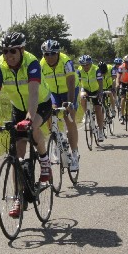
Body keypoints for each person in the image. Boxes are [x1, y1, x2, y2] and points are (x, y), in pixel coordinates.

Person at [0, 31, 52, 218]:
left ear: (21, 50)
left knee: (33, 127)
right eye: (5, 51)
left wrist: (29, 118)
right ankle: (18, 197)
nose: (9, 55)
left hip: (41, 103)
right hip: (18, 108)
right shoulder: (0, 67)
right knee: (16, 154)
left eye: (13, 50)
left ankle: (45, 161)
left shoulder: (32, 63)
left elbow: (34, 94)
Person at [39, 39, 80, 175]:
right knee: (49, 113)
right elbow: (39, 85)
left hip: (69, 90)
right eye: (47, 54)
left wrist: (70, 103)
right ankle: (57, 139)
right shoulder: (41, 64)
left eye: (53, 53)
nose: (50, 56)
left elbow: (71, 81)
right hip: (53, 92)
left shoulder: (66, 62)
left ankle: (75, 155)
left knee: (69, 119)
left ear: (58, 53)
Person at [75, 55, 107, 142]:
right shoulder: (79, 70)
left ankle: (100, 131)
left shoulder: (96, 69)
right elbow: (77, 83)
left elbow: (100, 82)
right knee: (82, 97)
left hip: (96, 90)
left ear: (91, 63)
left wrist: (100, 93)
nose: (85, 66)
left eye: (87, 64)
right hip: (85, 89)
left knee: (98, 110)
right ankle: (86, 114)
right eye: (83, 65)